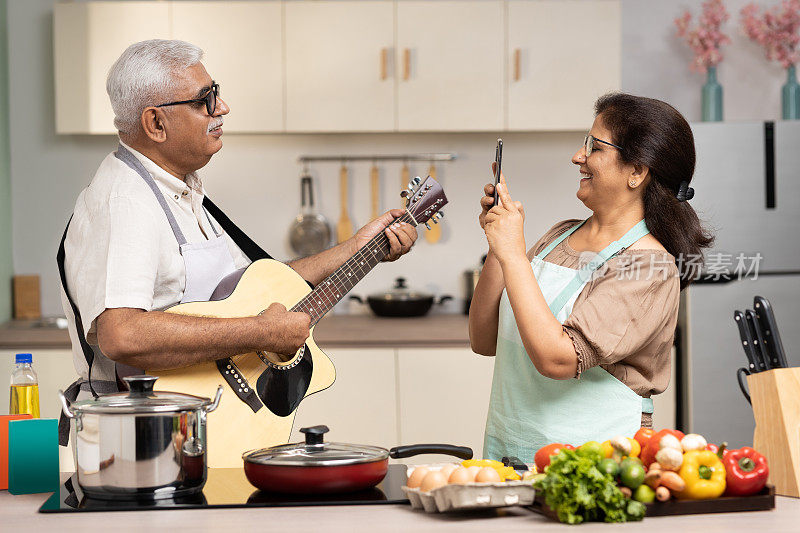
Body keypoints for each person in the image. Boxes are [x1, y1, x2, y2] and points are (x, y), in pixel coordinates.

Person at [57, 40, 418, 445]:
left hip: (190, 428)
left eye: (216, 92)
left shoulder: (180, 192)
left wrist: (357, 248)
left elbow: (255, 288)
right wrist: (261, 332)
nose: (222, 107)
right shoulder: (126, 201)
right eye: (204, 100)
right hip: (138, 443)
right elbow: (121, 334)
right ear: (156, 124)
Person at [469, 93, 713, 462]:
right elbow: (484, 339)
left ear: (637, 172)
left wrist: (514, 252)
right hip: (511, 454)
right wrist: (498, 244)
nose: (577, 156)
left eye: (594, 147)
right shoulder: (559, 236)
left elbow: (558, 360)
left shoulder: (649, 267)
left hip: (594, 466)